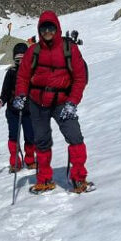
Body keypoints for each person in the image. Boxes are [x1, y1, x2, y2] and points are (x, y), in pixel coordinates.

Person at [13, 11, 93, 194]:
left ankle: (79, 178)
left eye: (51, 28)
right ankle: (44, 179)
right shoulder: (33, 51)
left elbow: (80, 78)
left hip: (62, 102)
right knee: (41, 141)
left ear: (57, 29)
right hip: (37, 102)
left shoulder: (69, 49)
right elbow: (23, 76)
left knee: (75, 137)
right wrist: (20, 95)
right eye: (43, 29)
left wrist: (72, 102)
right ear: (39, 30)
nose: (47, 32)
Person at [0, 43, 36, 173]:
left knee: (30, 136)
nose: (20, 62)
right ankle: (15, 162)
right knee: (13, 136)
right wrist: (1, 101)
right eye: (17, 59)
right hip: (13, 111)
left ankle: (30, 160)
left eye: (23, 59)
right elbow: (5, 92)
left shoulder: (33, 72)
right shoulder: (11, 73)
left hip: (29, 111)